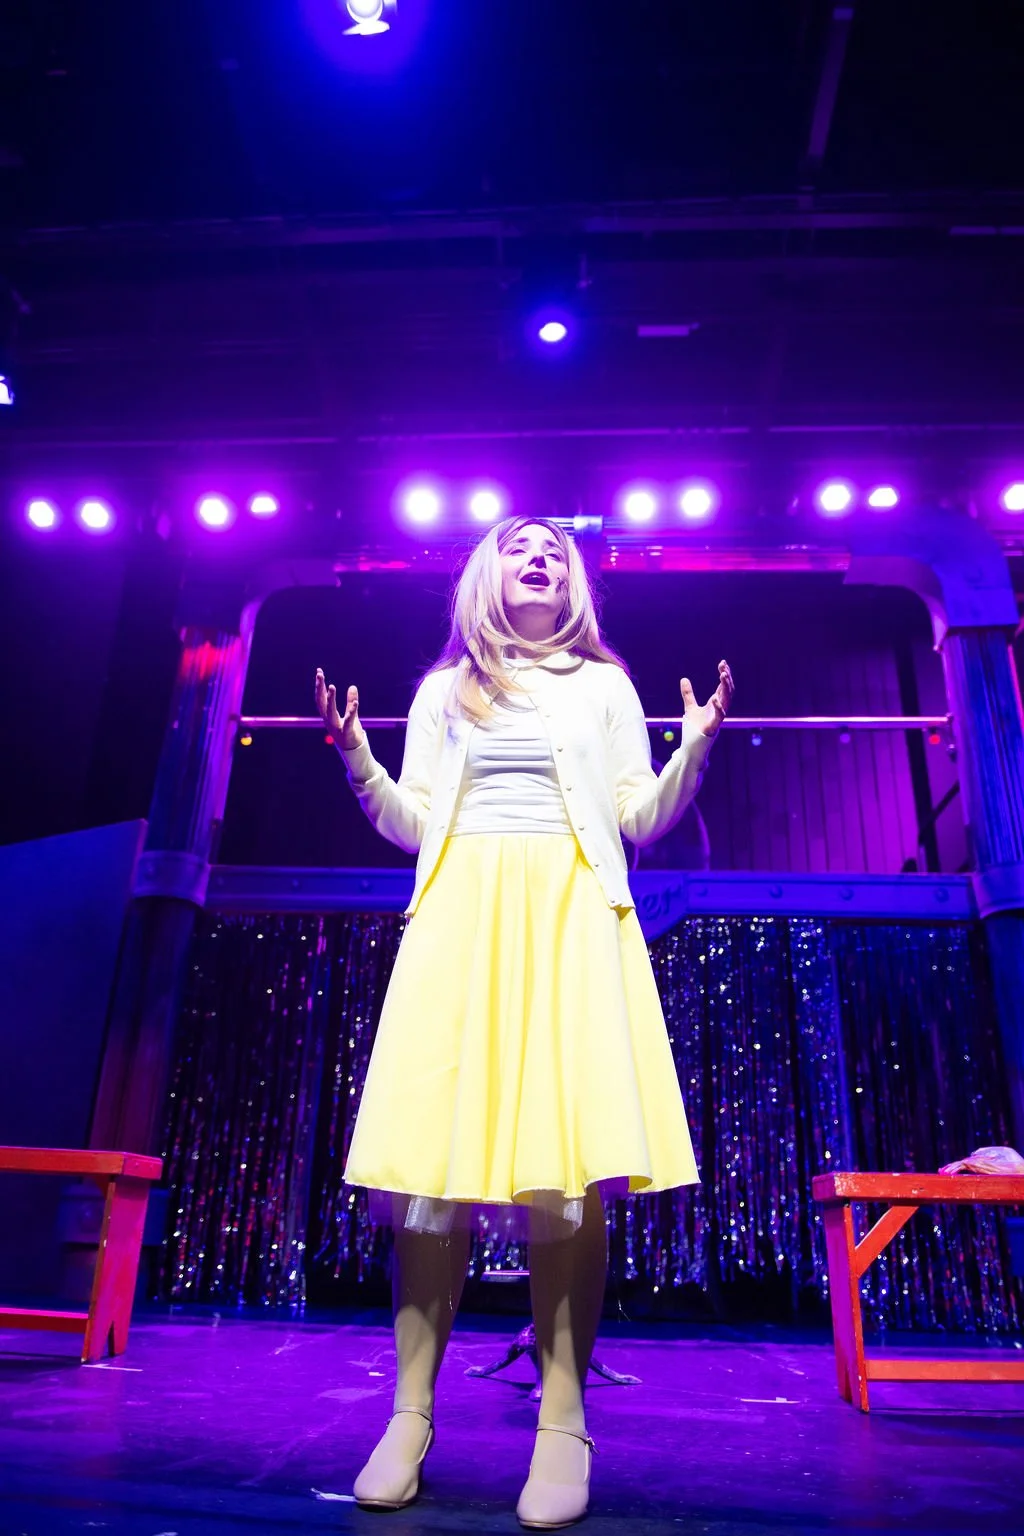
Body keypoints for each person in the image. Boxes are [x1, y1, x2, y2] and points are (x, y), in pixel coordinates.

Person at [315, 516, 733, 1528]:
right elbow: (415, 821)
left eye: (553, 548)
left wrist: (695, 752)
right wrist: (358, 760)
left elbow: (635, 816)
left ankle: (562, 1421)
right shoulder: (437, 691)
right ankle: (408, 1417)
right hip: (460, 918)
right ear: (484, 576)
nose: (538, 556)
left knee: (567, 1177)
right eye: (517, 546)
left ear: (574, 579)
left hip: (571, 918)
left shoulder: (604, 686)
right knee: (428, 1182)